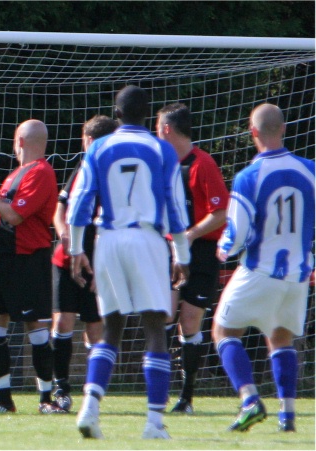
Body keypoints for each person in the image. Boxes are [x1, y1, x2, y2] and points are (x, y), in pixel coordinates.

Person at [67, 85, 190, 440]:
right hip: (147, 239)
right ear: (148, 115)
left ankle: (90, 407)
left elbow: (80, 202)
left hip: (109, 239)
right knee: (155, 326)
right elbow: (175, 206)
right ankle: (154, 422)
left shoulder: (100, 147)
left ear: (116, 114)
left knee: (111, 327)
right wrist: (182, 253)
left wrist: (77, 249)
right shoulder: (161, 149)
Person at [212, 103, 314, 433]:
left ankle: (250, 400)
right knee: (280, 337)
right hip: (297, 274)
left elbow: (238, 232)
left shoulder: (249, 176)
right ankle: (287, 416)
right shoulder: (311, 169)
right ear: (283, 129)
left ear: (252, 132)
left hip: (260, 270)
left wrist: (224, 248)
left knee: (223, 330)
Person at [0, 119, 59, 414]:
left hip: (27, 260)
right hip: (0, 261)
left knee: (35, 327)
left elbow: (14, 216)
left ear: (20, 141)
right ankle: (3, 399)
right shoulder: (16, 174)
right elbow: (0, 211)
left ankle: (46, 399)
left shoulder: (41, 173)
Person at [155, 103, 229, 415]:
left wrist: (191, 235)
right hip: (170, 250)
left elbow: (221, 213)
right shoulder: (161, 165)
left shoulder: (202, 164)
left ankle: (186, 397)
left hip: (200, 253)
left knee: (190, 321)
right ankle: (157, 391)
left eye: (157, 128)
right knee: (164, 315)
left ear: (167, 130)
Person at [50, 115, 118, 413]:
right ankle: (61, 389)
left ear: (92, 141)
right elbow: (61, 206)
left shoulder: (114, 173)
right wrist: (63, 230)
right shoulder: (83, 166)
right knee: (63, 320)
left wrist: (104, 266)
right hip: (66, 258)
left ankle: (93, 392)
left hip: (99, 261)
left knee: (95, 327)